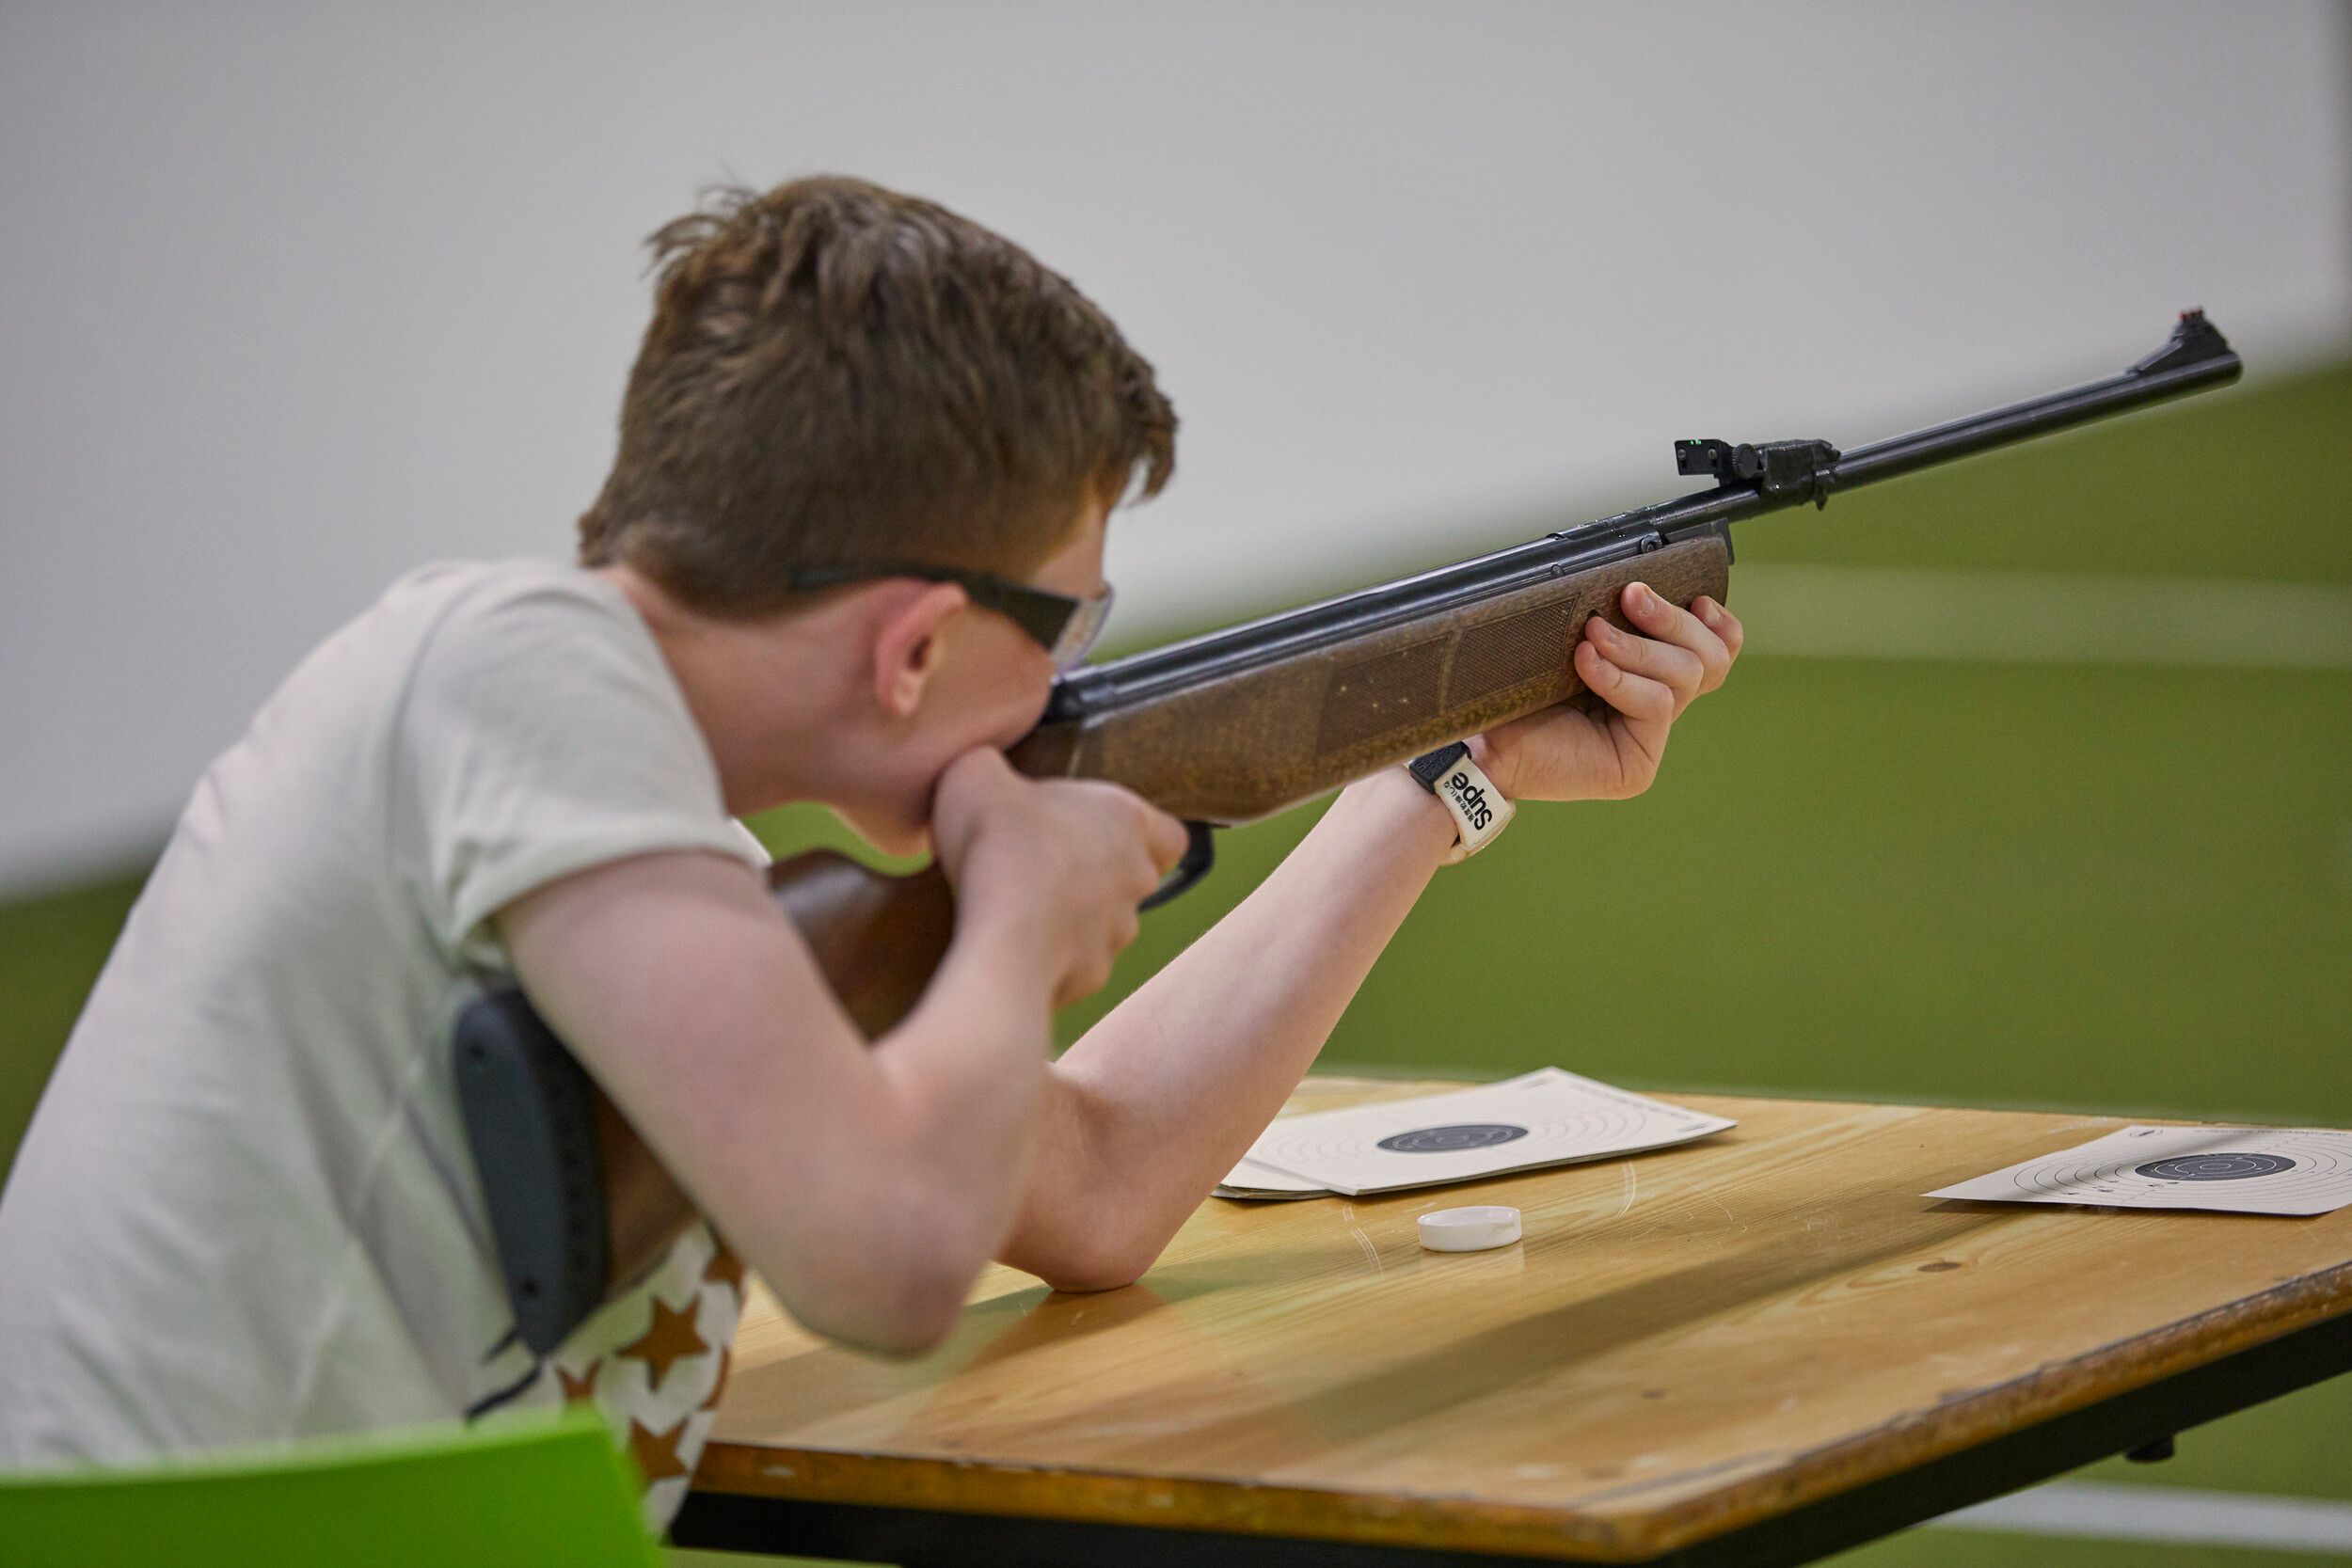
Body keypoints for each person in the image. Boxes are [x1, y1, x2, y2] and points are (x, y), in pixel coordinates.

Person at [0, 177, 1741, 1527]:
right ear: (913, 649)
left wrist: (1434, 783)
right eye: (1066, 622)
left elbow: (1103, 1183)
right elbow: (894, 1262)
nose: (1067, 677)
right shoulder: (514, 677)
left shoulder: (628, 818)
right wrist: (1012, 926)